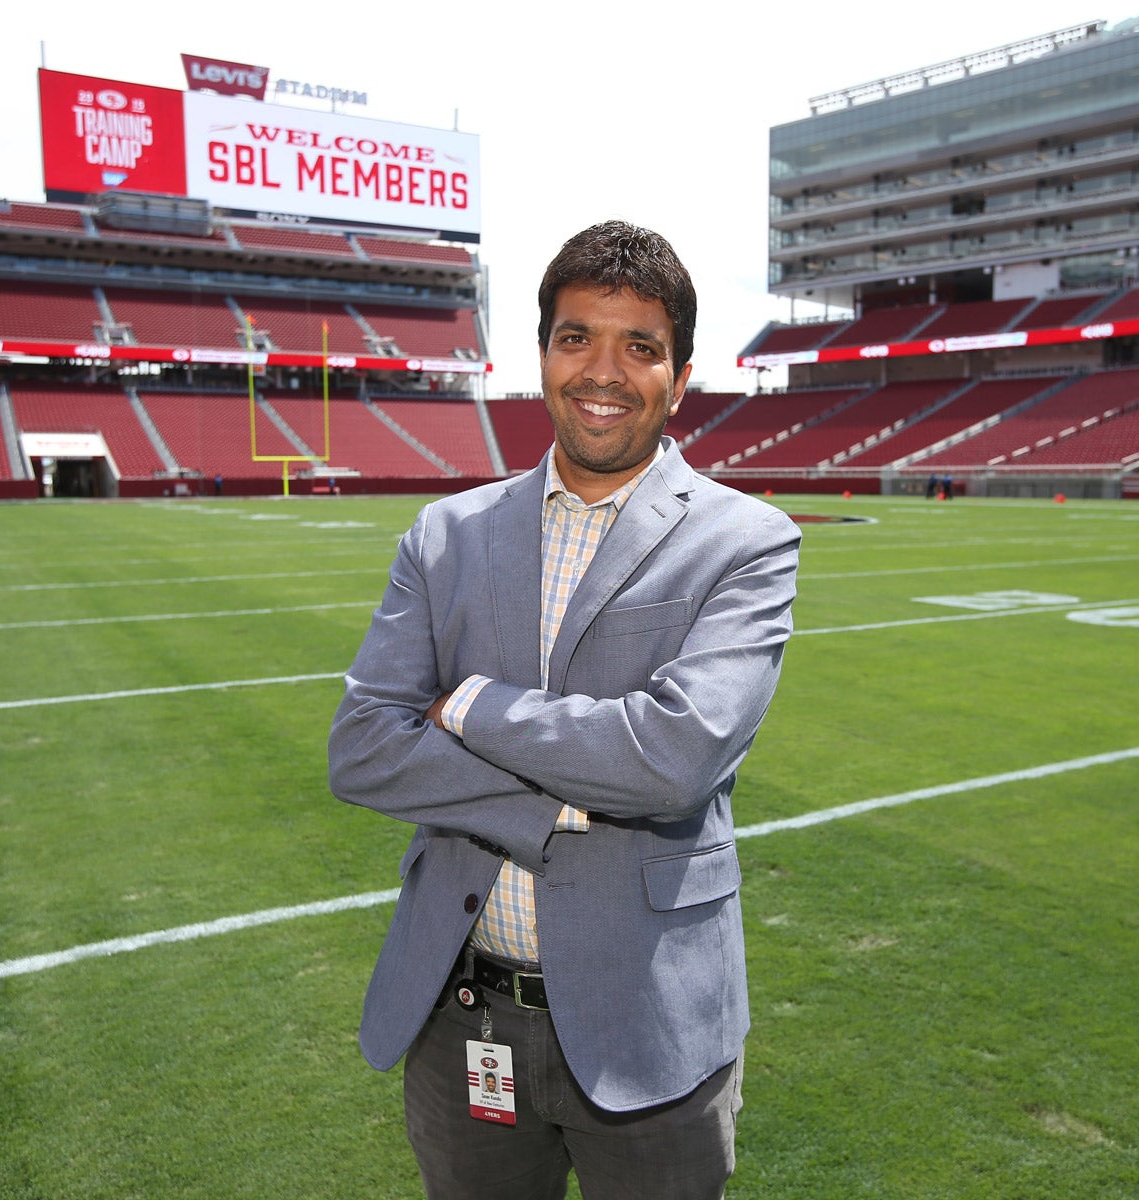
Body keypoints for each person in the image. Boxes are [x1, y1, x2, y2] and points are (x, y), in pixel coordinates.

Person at [328, 221, 802, 1200]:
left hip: (652, 1020)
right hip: (462, 1012)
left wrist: (472, 707)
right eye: (577, 336)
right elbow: (364, 747)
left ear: (680, 372)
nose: (605, 370)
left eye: (641, 345)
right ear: (542, 352)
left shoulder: (747, 543)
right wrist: (555, 807)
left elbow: (671, 760)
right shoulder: (445, 535)